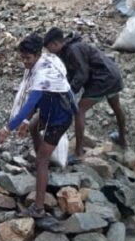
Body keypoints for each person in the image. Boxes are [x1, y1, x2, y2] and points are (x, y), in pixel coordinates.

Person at [0, 34, 76, 218]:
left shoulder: (43, 73)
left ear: (38, 54)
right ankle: (43, 165)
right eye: (22, 58)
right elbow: (35, 103)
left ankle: (38, 208)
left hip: (60, 117)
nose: (24, 62)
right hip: (48, 110)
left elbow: (30, 104)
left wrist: (7, 129)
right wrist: (24, 121)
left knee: (41, 159)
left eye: (27, 58)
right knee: (32, 127)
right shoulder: (46, 59)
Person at [43, 27, 127, 156]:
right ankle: (122, 139)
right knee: (116, 107)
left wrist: (69, 93)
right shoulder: (69, 49)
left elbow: (82, 74)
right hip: (113, 75)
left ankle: (79, 151)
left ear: (55, 44)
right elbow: (73, 72)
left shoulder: (72, 50)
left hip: (102, 79)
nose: (50, 53)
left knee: (79, 111)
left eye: (50, 49)